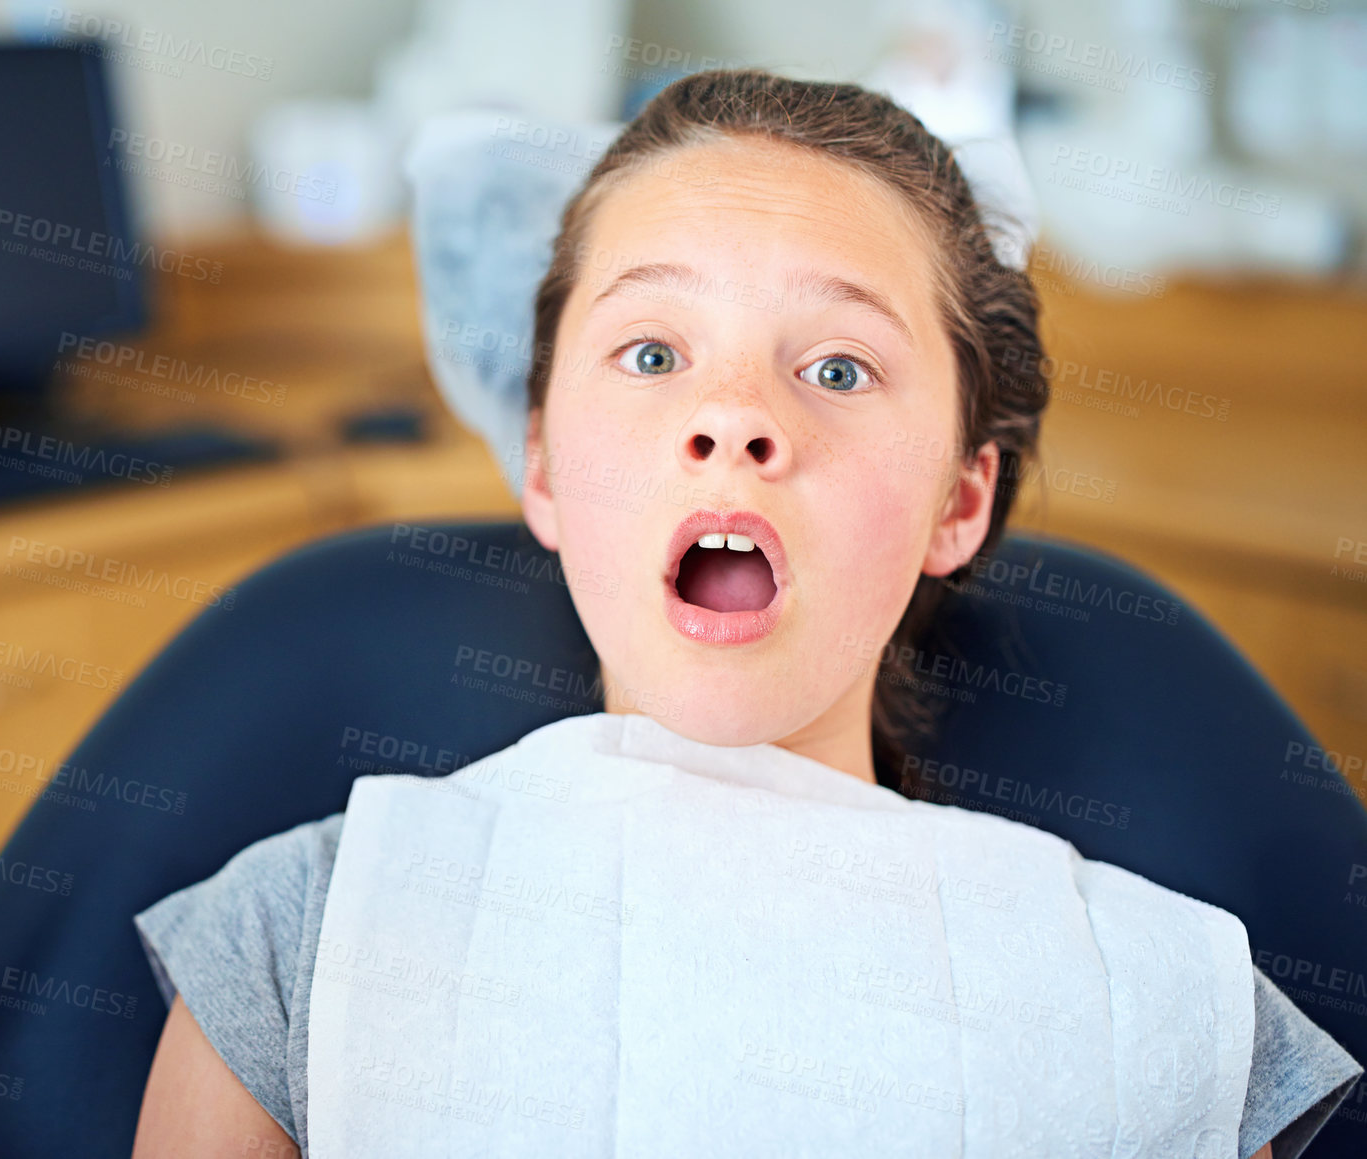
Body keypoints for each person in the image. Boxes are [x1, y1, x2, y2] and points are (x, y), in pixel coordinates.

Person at [129, 69, 1362, 1158]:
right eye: (655, 353)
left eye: (837, 367)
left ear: (958, 497)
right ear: (545, 462)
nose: (734, 416)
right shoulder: (308, 943)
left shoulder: (1154, 1014)